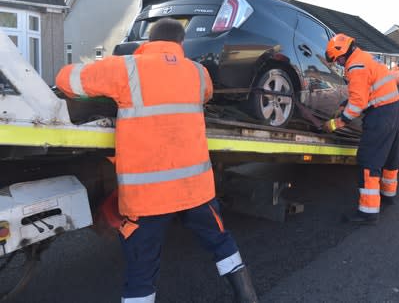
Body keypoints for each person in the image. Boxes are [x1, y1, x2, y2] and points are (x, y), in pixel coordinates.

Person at [55, 18, 257, 303]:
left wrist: (80, 67)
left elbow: (67, 81)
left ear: (149, 41)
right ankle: (247, 296)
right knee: (221, 242)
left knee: (141, 270)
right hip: (195, 191)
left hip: (147, 199)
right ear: (181, 43)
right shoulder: (198, 74)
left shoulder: (126, 68)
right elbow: (206, 94)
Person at [323, 33, 399, 224]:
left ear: (342, 55)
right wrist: (345, 102)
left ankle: (368, 211)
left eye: (338, 61)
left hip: (380, 113)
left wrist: (337, 123)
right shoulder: (364, 57)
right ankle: (388, 195)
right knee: (391, 155)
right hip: (394, 108)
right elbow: (368, 88)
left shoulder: (355, 66)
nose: (340, 65)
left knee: (368, 160)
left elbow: (358, 103)